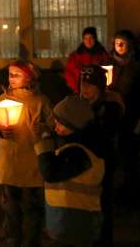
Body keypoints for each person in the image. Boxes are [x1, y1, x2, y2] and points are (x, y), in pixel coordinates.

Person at [0, 60, 54, 247]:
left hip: (32, 163)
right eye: (10, 74)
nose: (12, 78)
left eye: (17, 75)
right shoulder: (3, 100)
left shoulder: (40, 101)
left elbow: (52, 124)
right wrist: (0, 131)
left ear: (30, 77)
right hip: (9, 163)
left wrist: (43, 129)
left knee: (32, 208)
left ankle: (32, 241)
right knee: (11, 208)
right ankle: (12, 240)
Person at [34, 95, 106, 247]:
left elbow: (50, 173)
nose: (55, 126)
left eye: (60, 123)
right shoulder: (73, 147)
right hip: (68, 223)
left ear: (74, 125)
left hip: (76, 226)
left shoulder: (80, 152)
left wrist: (44, 144)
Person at [78, 65, 123, 247]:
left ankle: (103, 240)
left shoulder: (111, 106)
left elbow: (107, 132)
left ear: (100, 87)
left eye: (90, 86)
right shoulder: (78, 105)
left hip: (103, 162)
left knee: (102, 204)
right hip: (83, 163)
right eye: (83, 85)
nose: (85, 90)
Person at [107, 29, 140, 199]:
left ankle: (133, 191)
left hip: (132, 114)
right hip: (114, 115)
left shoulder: (138, 66)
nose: (120, 45)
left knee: (130, 153)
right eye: (117, 43)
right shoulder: (110, 65)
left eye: (123, 42)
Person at [65, 27, 110, 93]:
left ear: (95, 39)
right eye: (85, 38)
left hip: (98, 92)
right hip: (80, 91)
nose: (88, 41)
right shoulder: (75, 56)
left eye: (91, 38)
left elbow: (107, 72)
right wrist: (76, 89)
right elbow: (69, 73)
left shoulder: (103, 55)